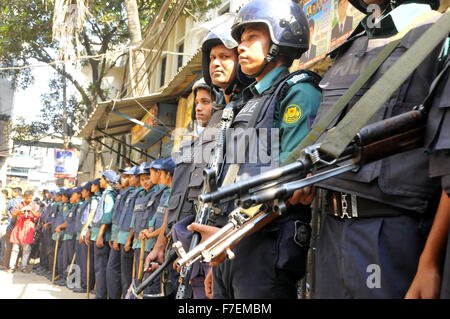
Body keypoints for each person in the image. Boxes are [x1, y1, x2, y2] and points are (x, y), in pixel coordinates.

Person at [304, 0, 448, 298]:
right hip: (329, 228)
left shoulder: (440, 33)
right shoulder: (350, 48)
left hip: (392, 232)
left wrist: (430, 261)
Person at [187, 0, 323, 299]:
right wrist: (216, 257)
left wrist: (227, 239)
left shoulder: (298, 91)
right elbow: (230, 177)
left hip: (264, 246)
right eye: (241, 40)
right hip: (229, 244)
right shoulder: (246, 101)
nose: (241, 48)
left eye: (251, 38)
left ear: (278, 40)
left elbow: (291, 181)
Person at [143, 157, 175, 294]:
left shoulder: (173, 192)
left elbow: (168, 223)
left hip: (170, 245)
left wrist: (151, 234)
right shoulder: (166, 192)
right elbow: (158, 217)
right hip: (159, 244)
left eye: (160, 173)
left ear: (168, 174)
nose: (157, 175)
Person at [87, 170, 117, 299]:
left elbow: (107, 217)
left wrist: (100, 235)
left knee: (101, 268)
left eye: (102, 178)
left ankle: (101, 296)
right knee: (98, 268)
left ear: (106, 180)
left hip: (102, 237)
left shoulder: (109, 195)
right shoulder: (104, 194)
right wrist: (90, 231)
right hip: (96, 234)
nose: (100, 181)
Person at [115, 165, 144, 295]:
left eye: (131, 176)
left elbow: (135, 219)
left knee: (130, 276)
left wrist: (128, 240)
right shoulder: (135, 193)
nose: (127, 179)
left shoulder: (140, 194)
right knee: (126, 274)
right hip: (130, 238)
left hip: (137, 240)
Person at [106, 168, 132, 299]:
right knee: (114, 270)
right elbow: (118, 218)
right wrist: (114, 236)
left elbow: (128, 219)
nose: (123, 179)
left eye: (127, 176)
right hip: (118, 235)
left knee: (123, 274)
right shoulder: (123, 193)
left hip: (125, 237)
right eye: (122, 176)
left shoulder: (131, 194)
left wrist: (117, 237)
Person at [8, 190, 40, 273]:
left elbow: (37, 215)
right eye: (27, 198)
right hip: (19, 227)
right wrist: (20, 211)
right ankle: (12, 266)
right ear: (23, 197)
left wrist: (30, 210)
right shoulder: (19, 204)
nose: (28, 200)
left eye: (30, 198)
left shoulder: (35, 205)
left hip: (29, 227)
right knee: (15, 248)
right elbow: (13, 215)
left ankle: (23, 267)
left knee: (26, 249)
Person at [74, 182, 94, 293]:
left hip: (85, 234)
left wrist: (84, 232)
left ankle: (87, 284)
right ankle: (81, 282)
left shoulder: (91, 202)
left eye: (83, 190)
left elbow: (89, 219)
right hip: (80, 233)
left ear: (88, 191)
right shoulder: (84, 202)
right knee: (80, 261)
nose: (81, 192)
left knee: (86, 261)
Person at [2, 187, 23, 271]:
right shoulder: (23, 202)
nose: (11, 193)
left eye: (12, 192)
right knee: (17, 247)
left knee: (9, 247)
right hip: (19, 227)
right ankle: (15, 264)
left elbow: (6, 212)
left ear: (16, 193)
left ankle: (6, 265)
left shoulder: (11, 201)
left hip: (11, 226)